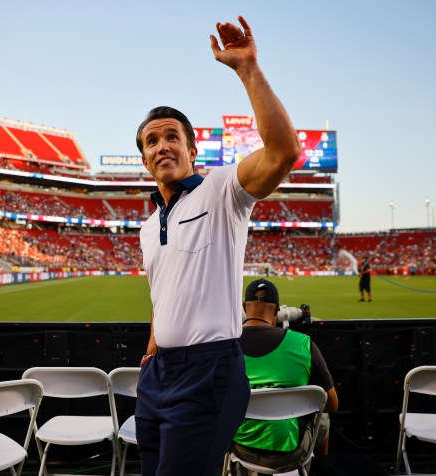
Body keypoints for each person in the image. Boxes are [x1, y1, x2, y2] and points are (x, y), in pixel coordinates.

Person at [135, 16, 302, 476]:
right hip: (158, 373)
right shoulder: (149, 227)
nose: (162, 146)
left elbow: (284, 151)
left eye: (172, 137)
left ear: (192, 150)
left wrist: (247, 68)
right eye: (152, 141)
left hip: (210, 370)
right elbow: (162, 295)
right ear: (145, 158)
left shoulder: (221, 189)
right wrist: (153, 347)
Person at [232, 279, 338, 473]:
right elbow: (332, 404)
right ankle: (322, 468)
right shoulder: (303, 344)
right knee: (323, 415)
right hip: (291, 453)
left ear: (243, 308)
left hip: (240, 448)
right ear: (277, 310)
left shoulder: (226, 346)